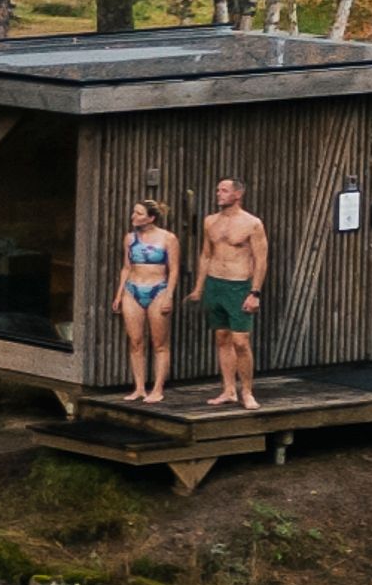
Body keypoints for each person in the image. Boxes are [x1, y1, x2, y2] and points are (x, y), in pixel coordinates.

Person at [197, 177, 273, 415]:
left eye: (224, 190)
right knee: (222, 337)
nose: (218, 193)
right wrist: (199, 287)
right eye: (218, 189)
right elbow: (206, 255)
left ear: (237, 195)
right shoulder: (210, 221)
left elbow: (261, 260)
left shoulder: (252, 223)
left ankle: (247, 391)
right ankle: (228, 390)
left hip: (239, 286)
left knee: (241, 341)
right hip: (215, 283)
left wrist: (255, 292)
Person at [115, 193, 185, 401]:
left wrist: (169, 295)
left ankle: (157, 389)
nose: (133, 216)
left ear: (150, 217)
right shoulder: (129, 238)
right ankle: (139, 387)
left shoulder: (168, 238)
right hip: (132, 289)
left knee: (159, 343)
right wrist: (119, 294)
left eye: (138, 213)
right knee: (135, 341)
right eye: (134, 212)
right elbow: (126, 267)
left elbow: (173, 270)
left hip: (158, 289)